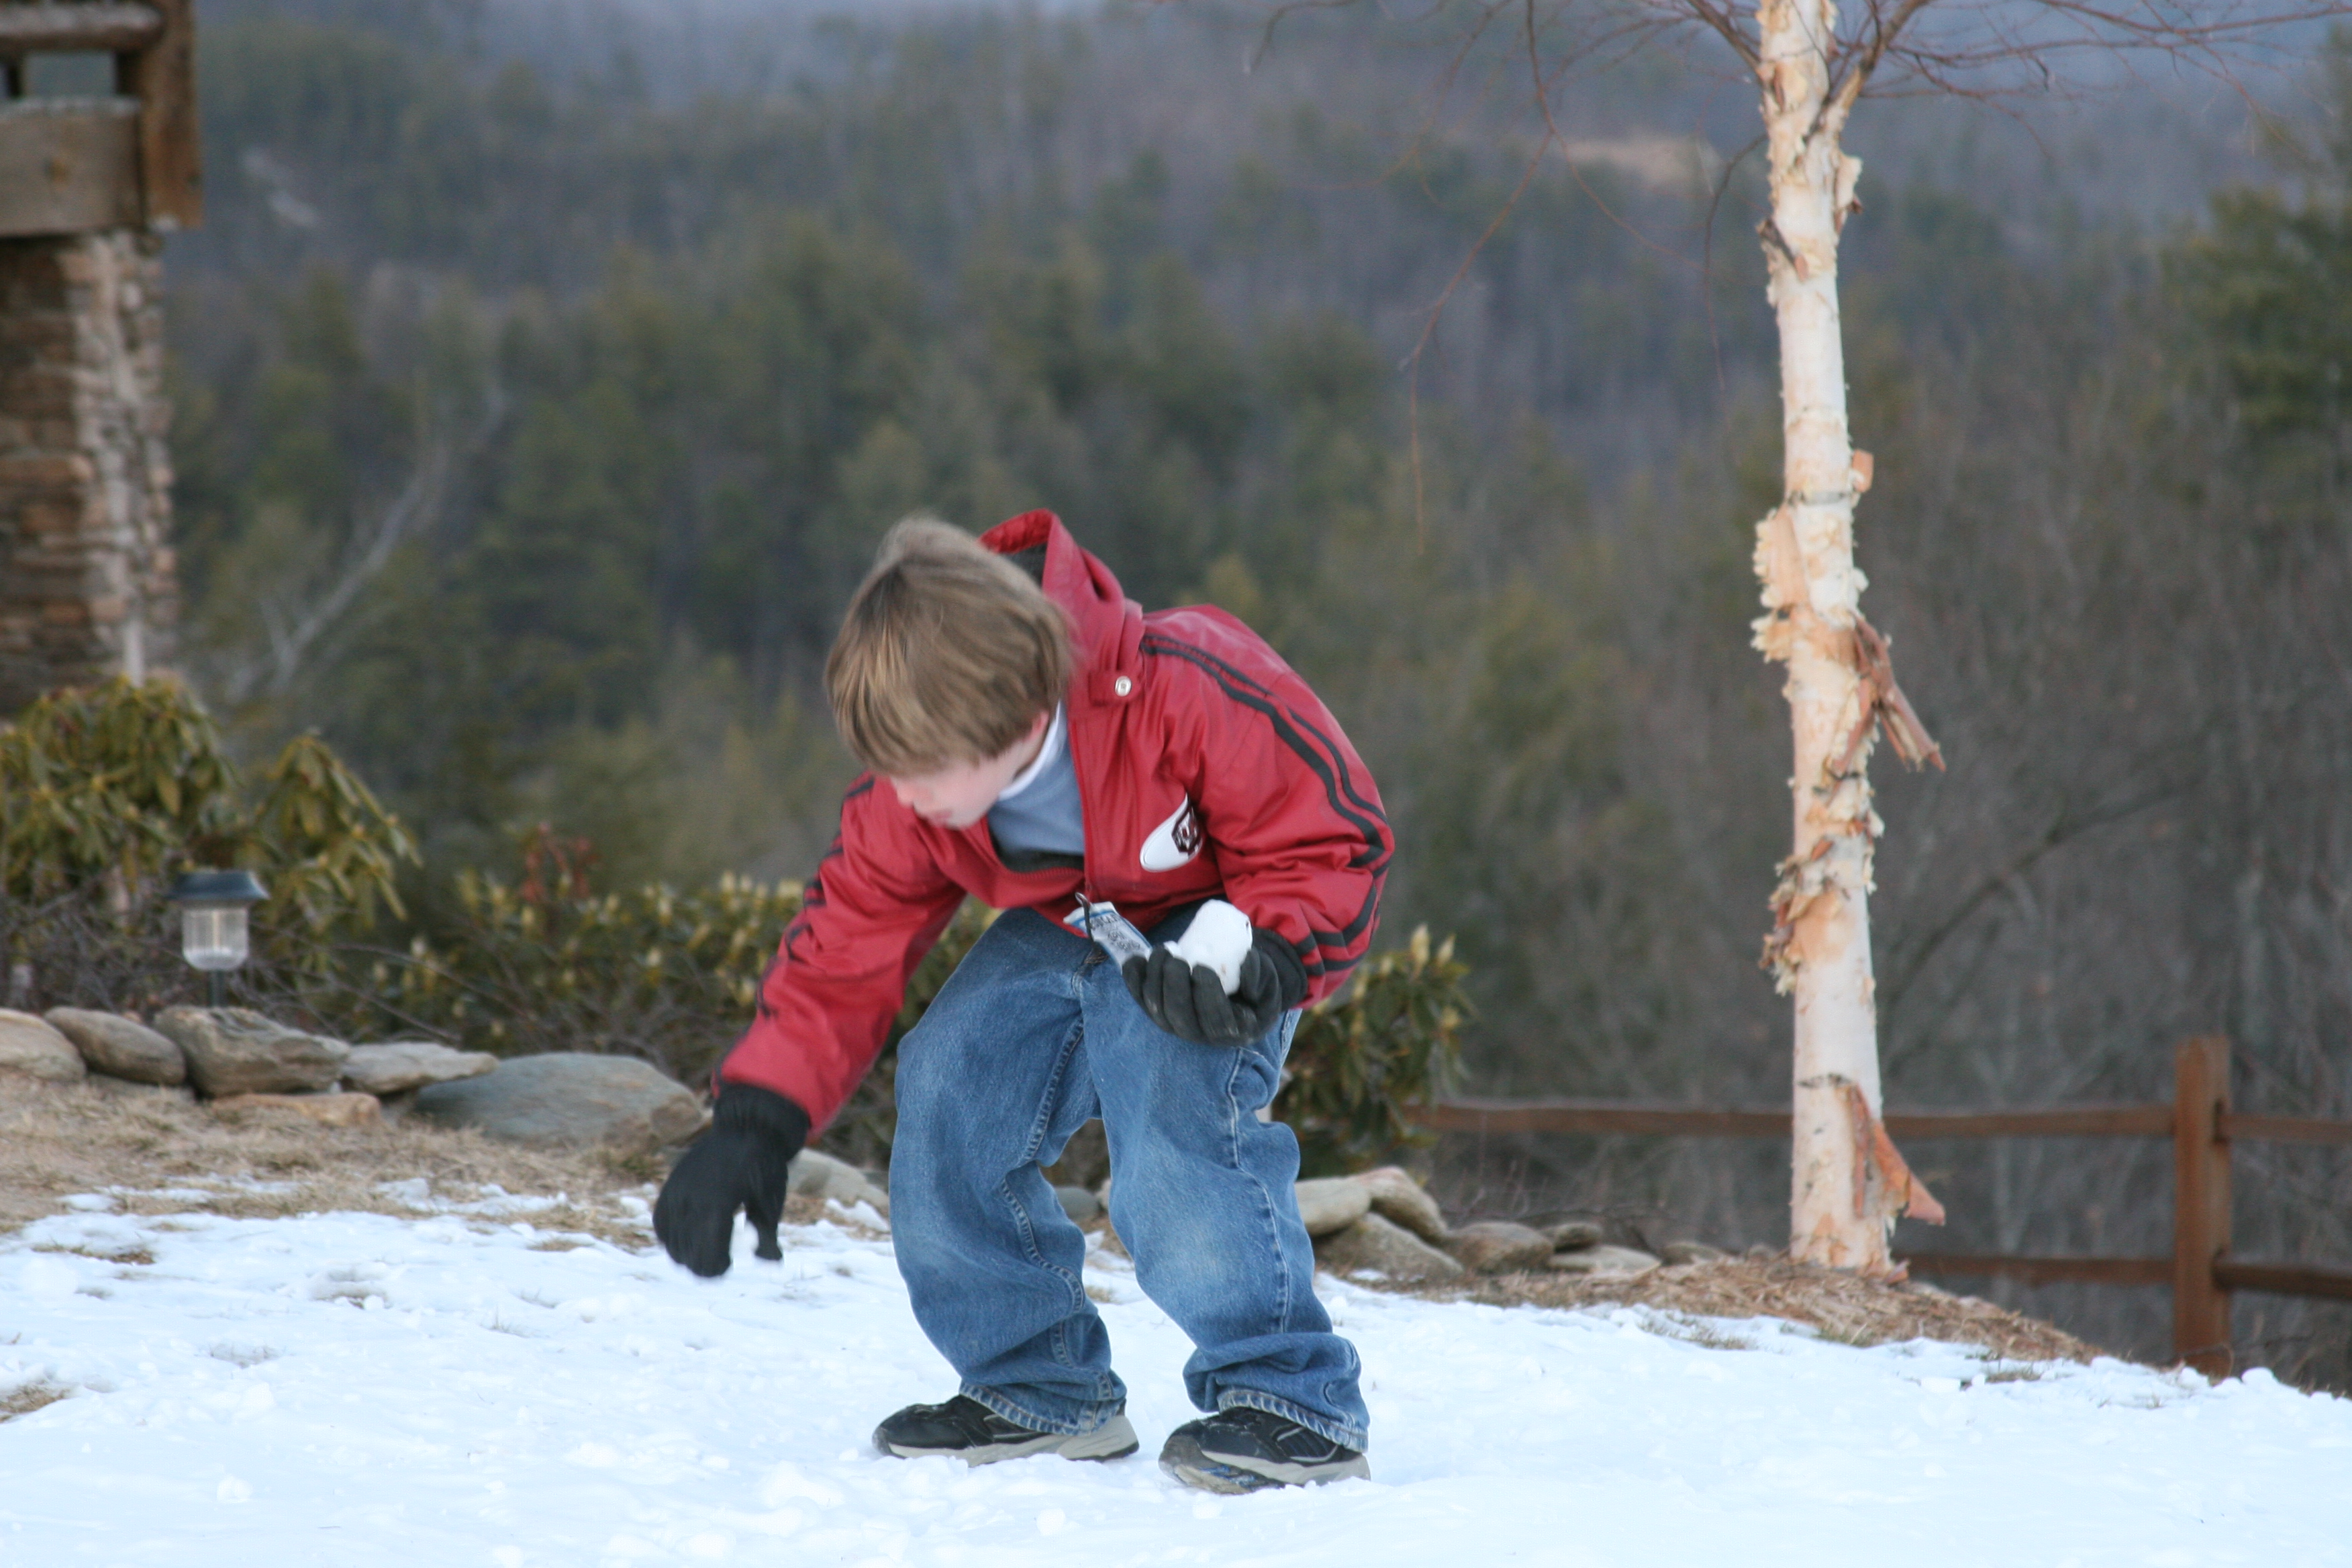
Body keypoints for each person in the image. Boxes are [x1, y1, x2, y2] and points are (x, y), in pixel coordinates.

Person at [652, 510, 1390, 1494]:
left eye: (924, 773)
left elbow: (1328, 839)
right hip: (1077, 920)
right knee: (952, 1070)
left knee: (1170, 1097)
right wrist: (752, 1123)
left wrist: (1270, 960)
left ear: (1012, 709)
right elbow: (842, 956)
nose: (906, 798)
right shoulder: (914, 793)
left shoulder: (1184, 682)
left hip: (1223, 935)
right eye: (892, 771)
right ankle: (1036, 1382)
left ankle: (1293, 1396)